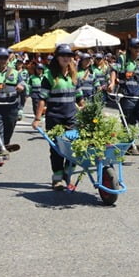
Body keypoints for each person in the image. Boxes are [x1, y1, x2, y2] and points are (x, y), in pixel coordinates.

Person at [31, 44, 84, 189]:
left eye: (69, 56)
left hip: (71, 118)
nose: (66, 58)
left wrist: (86, 110)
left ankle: (68, 173)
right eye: (63, 55)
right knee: (57, 149)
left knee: (74, 146)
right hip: (54, 118)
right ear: (57, 57)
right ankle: (57, 178)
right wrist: (37, 118)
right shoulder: (49, 76)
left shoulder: (74, 75)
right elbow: (42, 98)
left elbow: (79, 96)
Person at [108, 38, 139, 155]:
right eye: (136, 48)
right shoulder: (123, 59)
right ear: (130, 48)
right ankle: (128, 145)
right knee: (129, 121)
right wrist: (112, 83)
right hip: (126, 96)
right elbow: (114, 69)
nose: (138, 50)